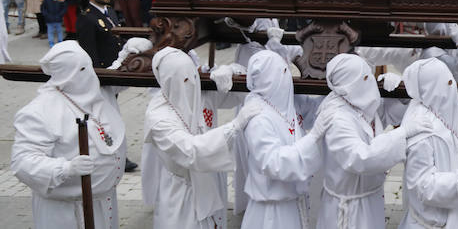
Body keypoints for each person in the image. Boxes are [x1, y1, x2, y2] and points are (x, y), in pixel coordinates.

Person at [143, 47, 263, 229]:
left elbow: (240, 95)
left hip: (209, 183)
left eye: (192, 76)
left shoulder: (199, 93)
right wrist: (234, 126)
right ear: (168, 81)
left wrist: (232, 71)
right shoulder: (158, 118)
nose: (191, 83)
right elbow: (191, 151)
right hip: (181, 195)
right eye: (184, 79)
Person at [11, 42, 127, 229]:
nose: (90, 75)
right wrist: (66, 168)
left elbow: (114, 81)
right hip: (65, 209)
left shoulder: (91, 93)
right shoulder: (39, 111)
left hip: (102, 201)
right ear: (69, 75)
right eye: (83, 69)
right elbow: (22, 162)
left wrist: (128, 53)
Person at [316, 53, 430, 229]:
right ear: (353, 84)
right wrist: (402, 133)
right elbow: (361, 158)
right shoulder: (337, 119)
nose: (371, 80)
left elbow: (389, 113)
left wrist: (400, 92)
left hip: (369, 199)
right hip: (349, 210)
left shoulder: (357, 102)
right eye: (366, 77)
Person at [240, 50, 329, 229]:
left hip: (292, 204)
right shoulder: (258, 118)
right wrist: (311, 138)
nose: (288, 77)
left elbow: (313, 112)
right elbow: (273, 163)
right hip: (271, 212)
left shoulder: (285, 103)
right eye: (284, 72)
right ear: (271, 79)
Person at [398, 57, 458, 229]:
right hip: (430, 223)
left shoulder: (445, 108)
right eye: (447, 83)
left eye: (452, 82)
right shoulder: (421, 129)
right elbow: (423, 186)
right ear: (432, 88)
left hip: (453, 219)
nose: (452, 88)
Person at [76, 0, 122, 69]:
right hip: (104, 68)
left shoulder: (110, 10)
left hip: (117, 63)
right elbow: (89, 50)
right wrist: (98, 73)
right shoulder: (86, 18)